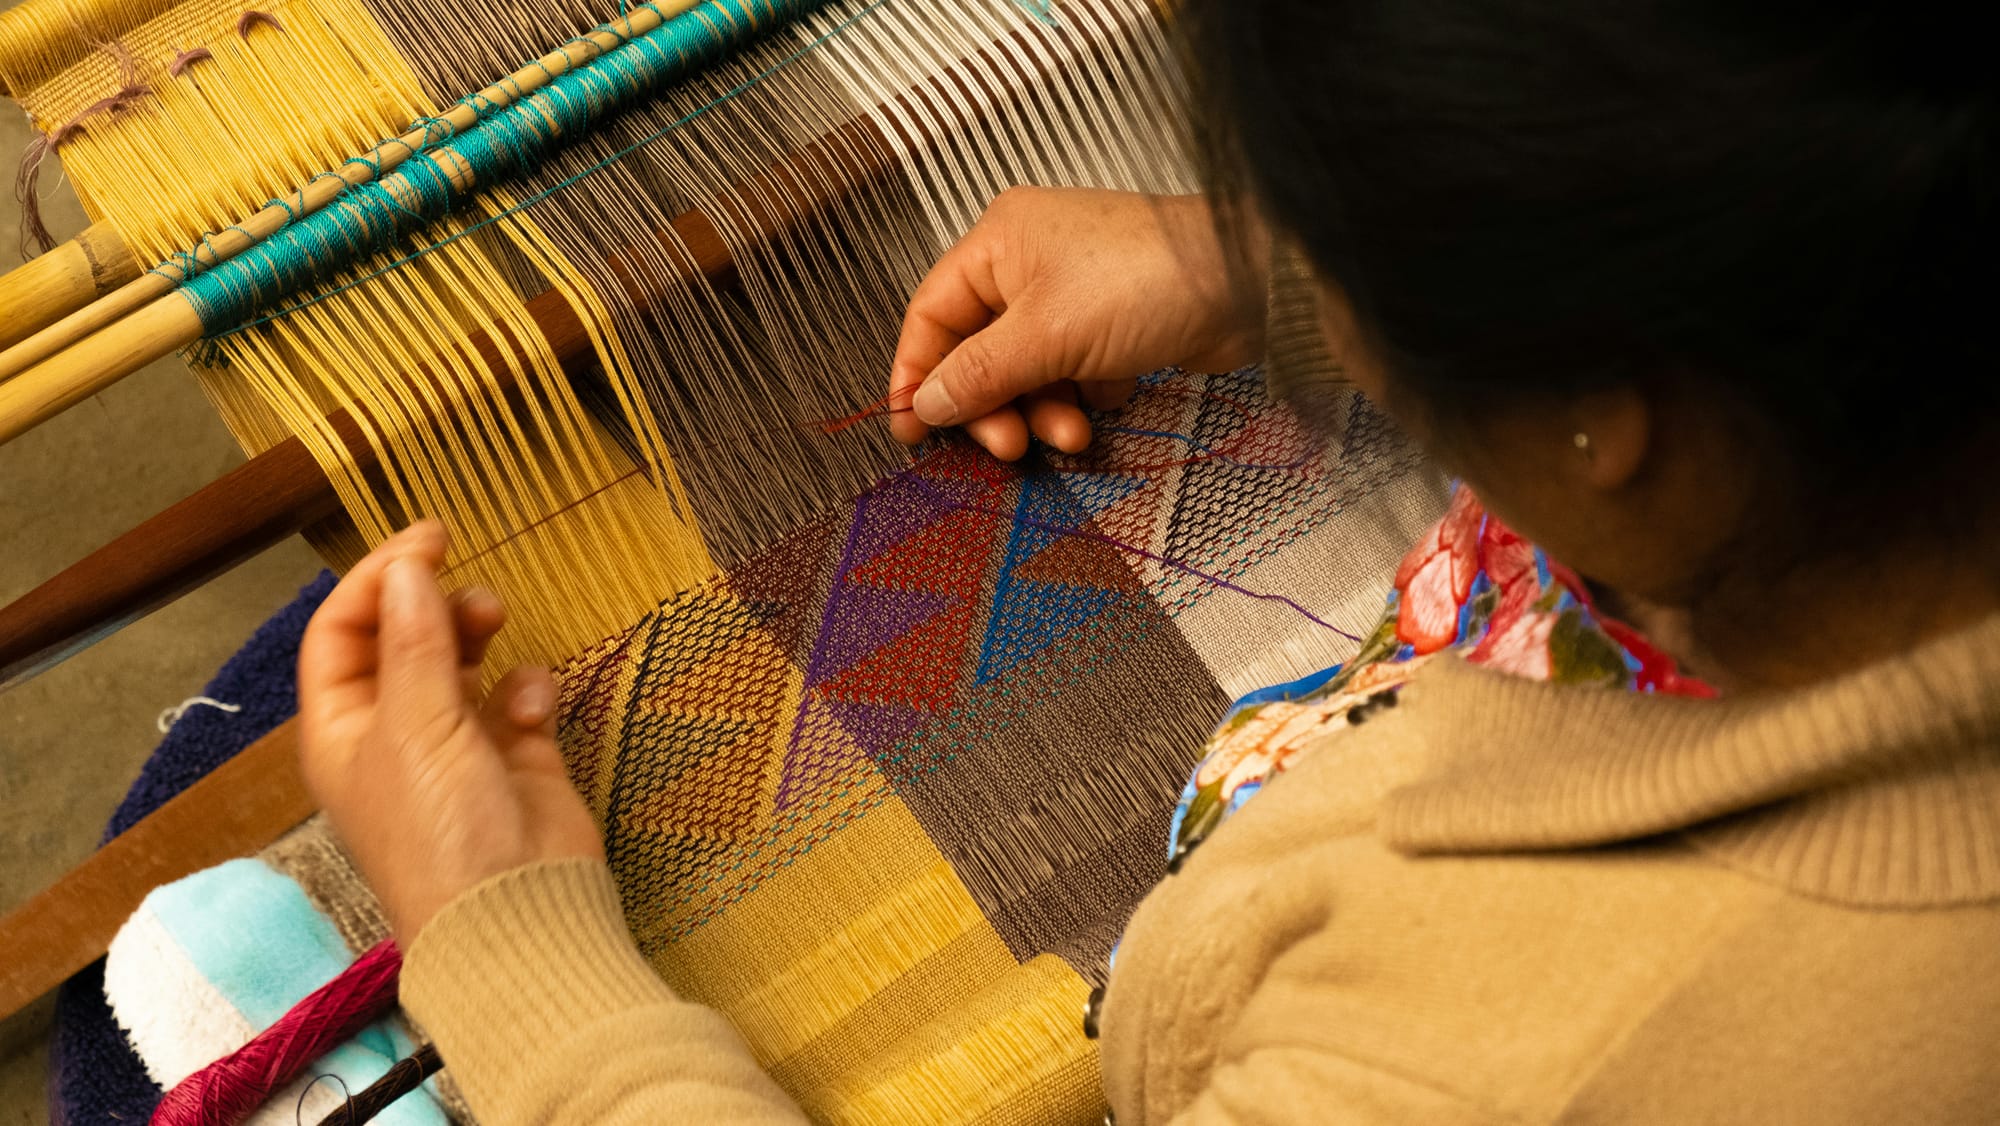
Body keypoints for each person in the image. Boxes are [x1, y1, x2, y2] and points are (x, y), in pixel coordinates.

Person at [297, 0, 2000, 1121]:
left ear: (1602, 403)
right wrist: (1251, 269)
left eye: (1316, 222)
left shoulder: (1505, 1062)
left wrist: (512, 947)